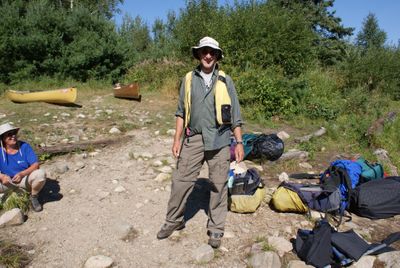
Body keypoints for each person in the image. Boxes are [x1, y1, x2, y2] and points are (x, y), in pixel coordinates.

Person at [157, 36, 244, 248]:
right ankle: (173, 221)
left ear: (217, 56)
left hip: (220, 139)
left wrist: (239, 142)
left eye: (212, 52)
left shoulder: (226, 80)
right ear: (198, 54)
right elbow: (180, 112)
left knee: (219, 185)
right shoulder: (188, 79)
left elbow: (236, 116)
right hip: (193, 138)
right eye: (204, 51)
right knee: (181, 181)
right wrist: (176, 139)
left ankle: (216, 228)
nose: (208, 55)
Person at [0, 123, 46, 212]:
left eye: (14, 133)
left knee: (40, 174)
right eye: (9, 134)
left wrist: (22, 174)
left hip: (24, 180)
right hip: (7, 182)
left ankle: (33, 197)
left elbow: (35, 165)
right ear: (2, 138)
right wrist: (1, 176)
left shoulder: (24, 146)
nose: (13, 136)